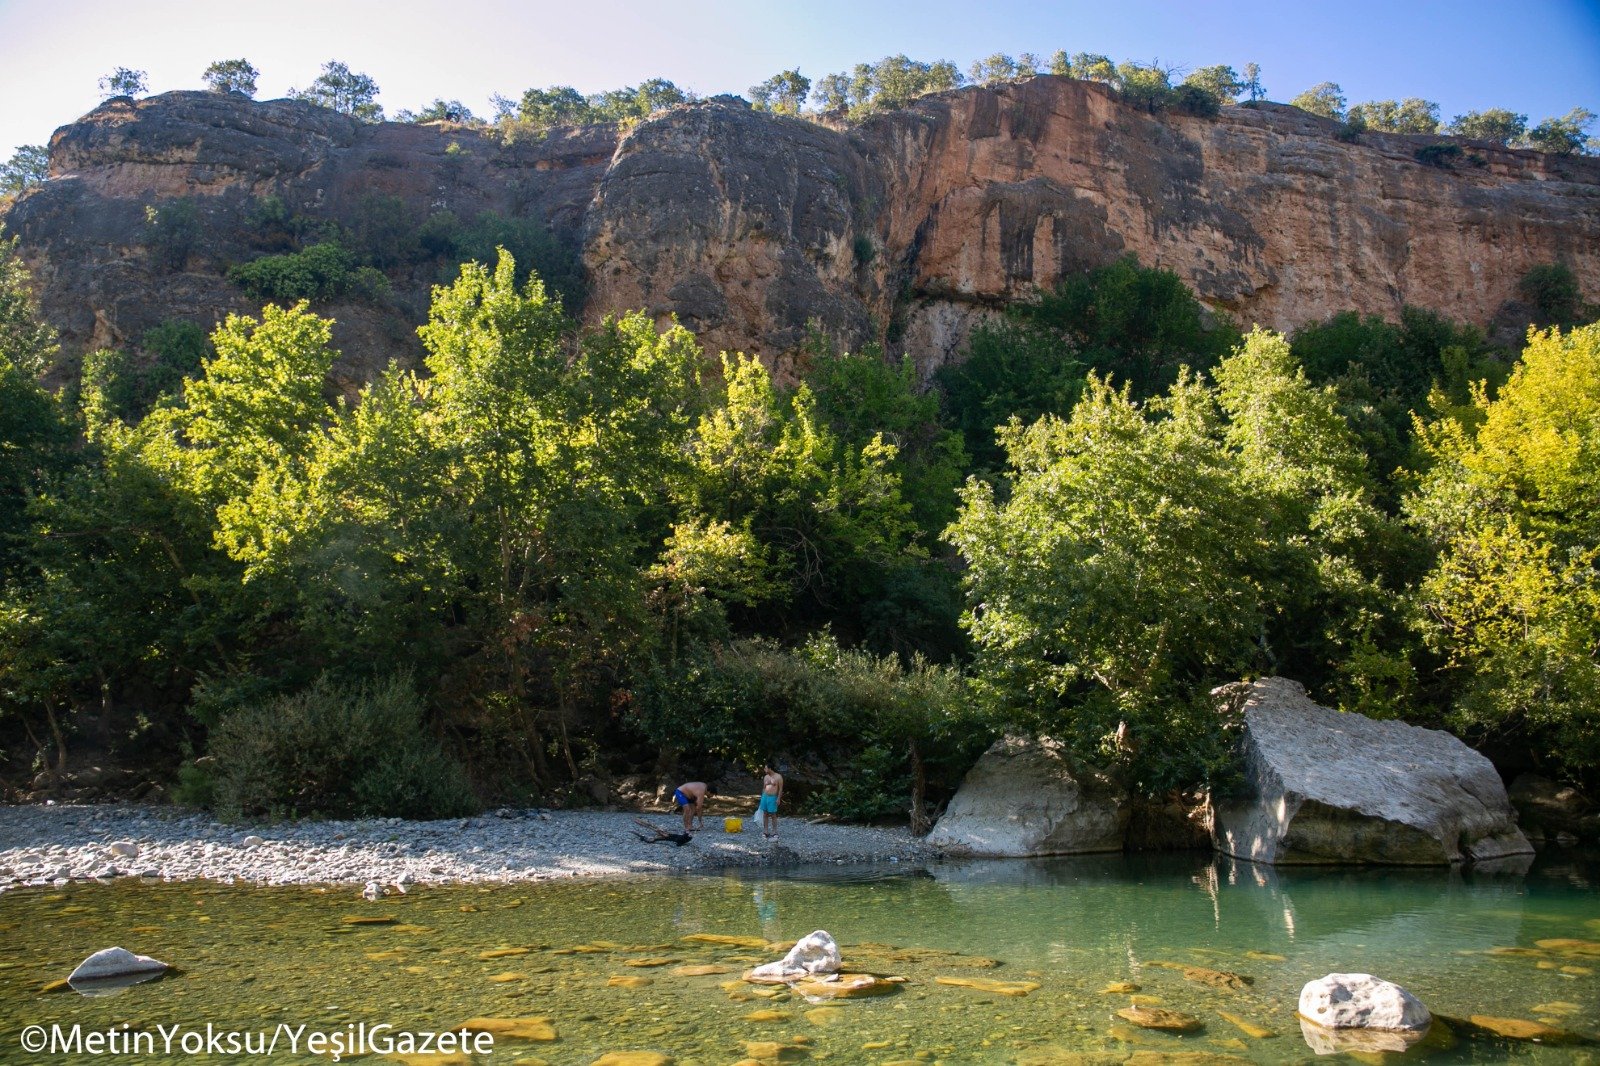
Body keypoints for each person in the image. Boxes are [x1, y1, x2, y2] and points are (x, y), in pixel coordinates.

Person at [758, 764, 783, 840]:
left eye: (765, 768)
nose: (764, 769)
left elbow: (780, 789)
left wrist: (778, 798)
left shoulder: (778, 777)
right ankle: (765, 831)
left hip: (773, 797)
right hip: (765, 796)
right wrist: (762, 797)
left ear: (770, 768)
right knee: (765, 813)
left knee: (773, 814)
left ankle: (775, 832)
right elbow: (764, 788)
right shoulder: (766, 777)